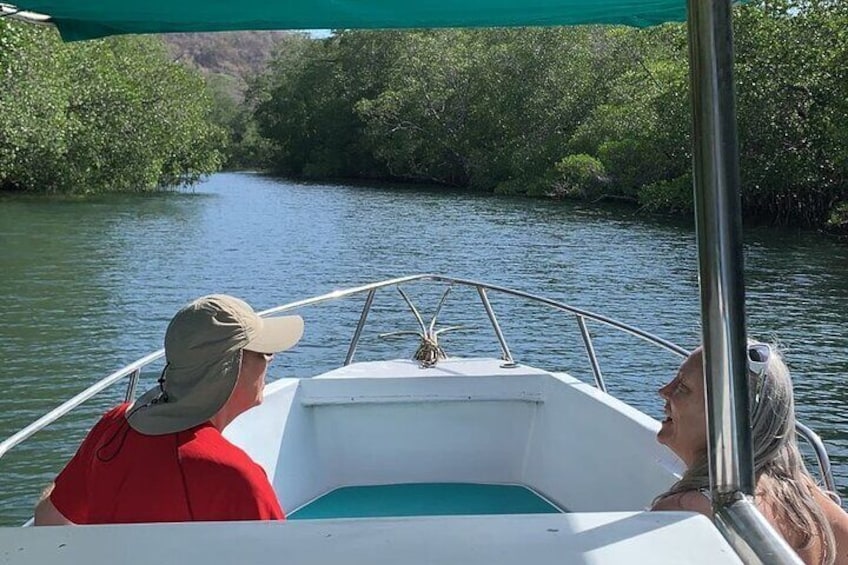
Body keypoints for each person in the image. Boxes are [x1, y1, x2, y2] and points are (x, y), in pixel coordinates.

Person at [33, 294, 304, 525]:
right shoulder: (236, 477)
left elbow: (48, 519)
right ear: (232, 369)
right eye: (266, 353)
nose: (272, 360)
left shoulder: (115, 426)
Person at [652, 342, 848, 564]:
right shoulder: (802, 495)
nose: (664, 391)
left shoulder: (683, 511)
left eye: (682, 387)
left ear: (728, 417)